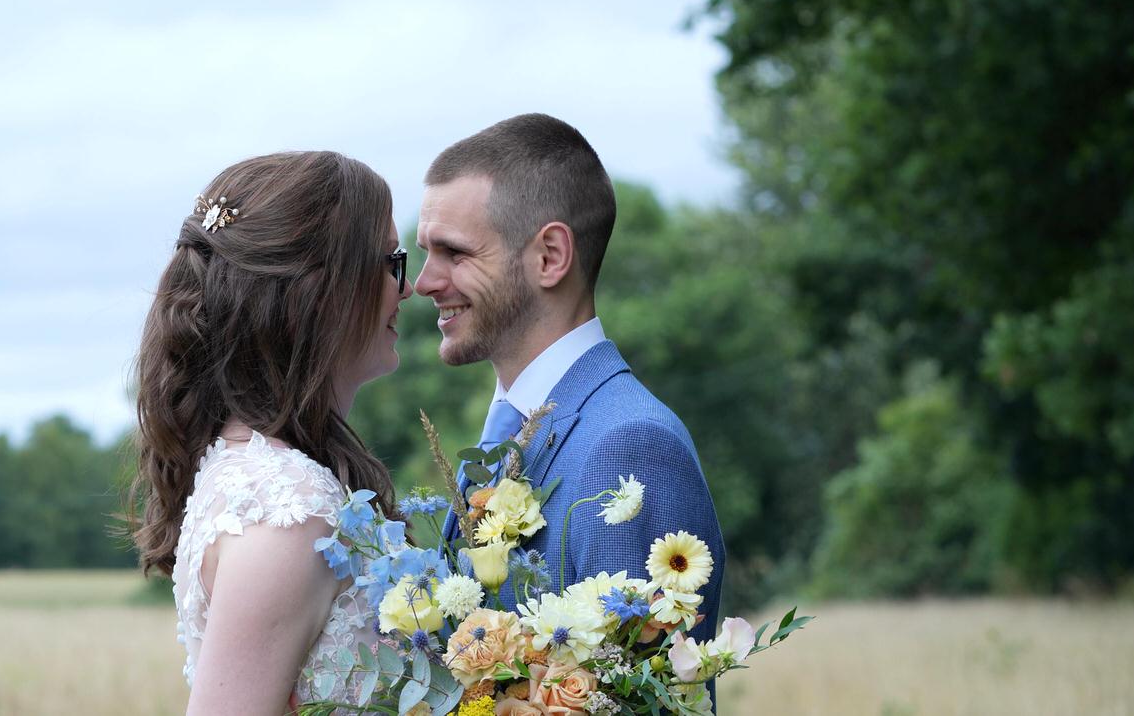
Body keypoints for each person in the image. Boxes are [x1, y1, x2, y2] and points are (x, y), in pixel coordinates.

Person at [417, 114, 725, 641]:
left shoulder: (630, 447)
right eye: (427, 253)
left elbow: (637, 682)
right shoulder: (509, 431)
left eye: (455, 252)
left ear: (550, 256)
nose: (424, 282)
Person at [127, 151, 412, 714]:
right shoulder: (290, 513)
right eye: (391, 262)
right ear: (321, 289)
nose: (408, 289)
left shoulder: (258, 473)